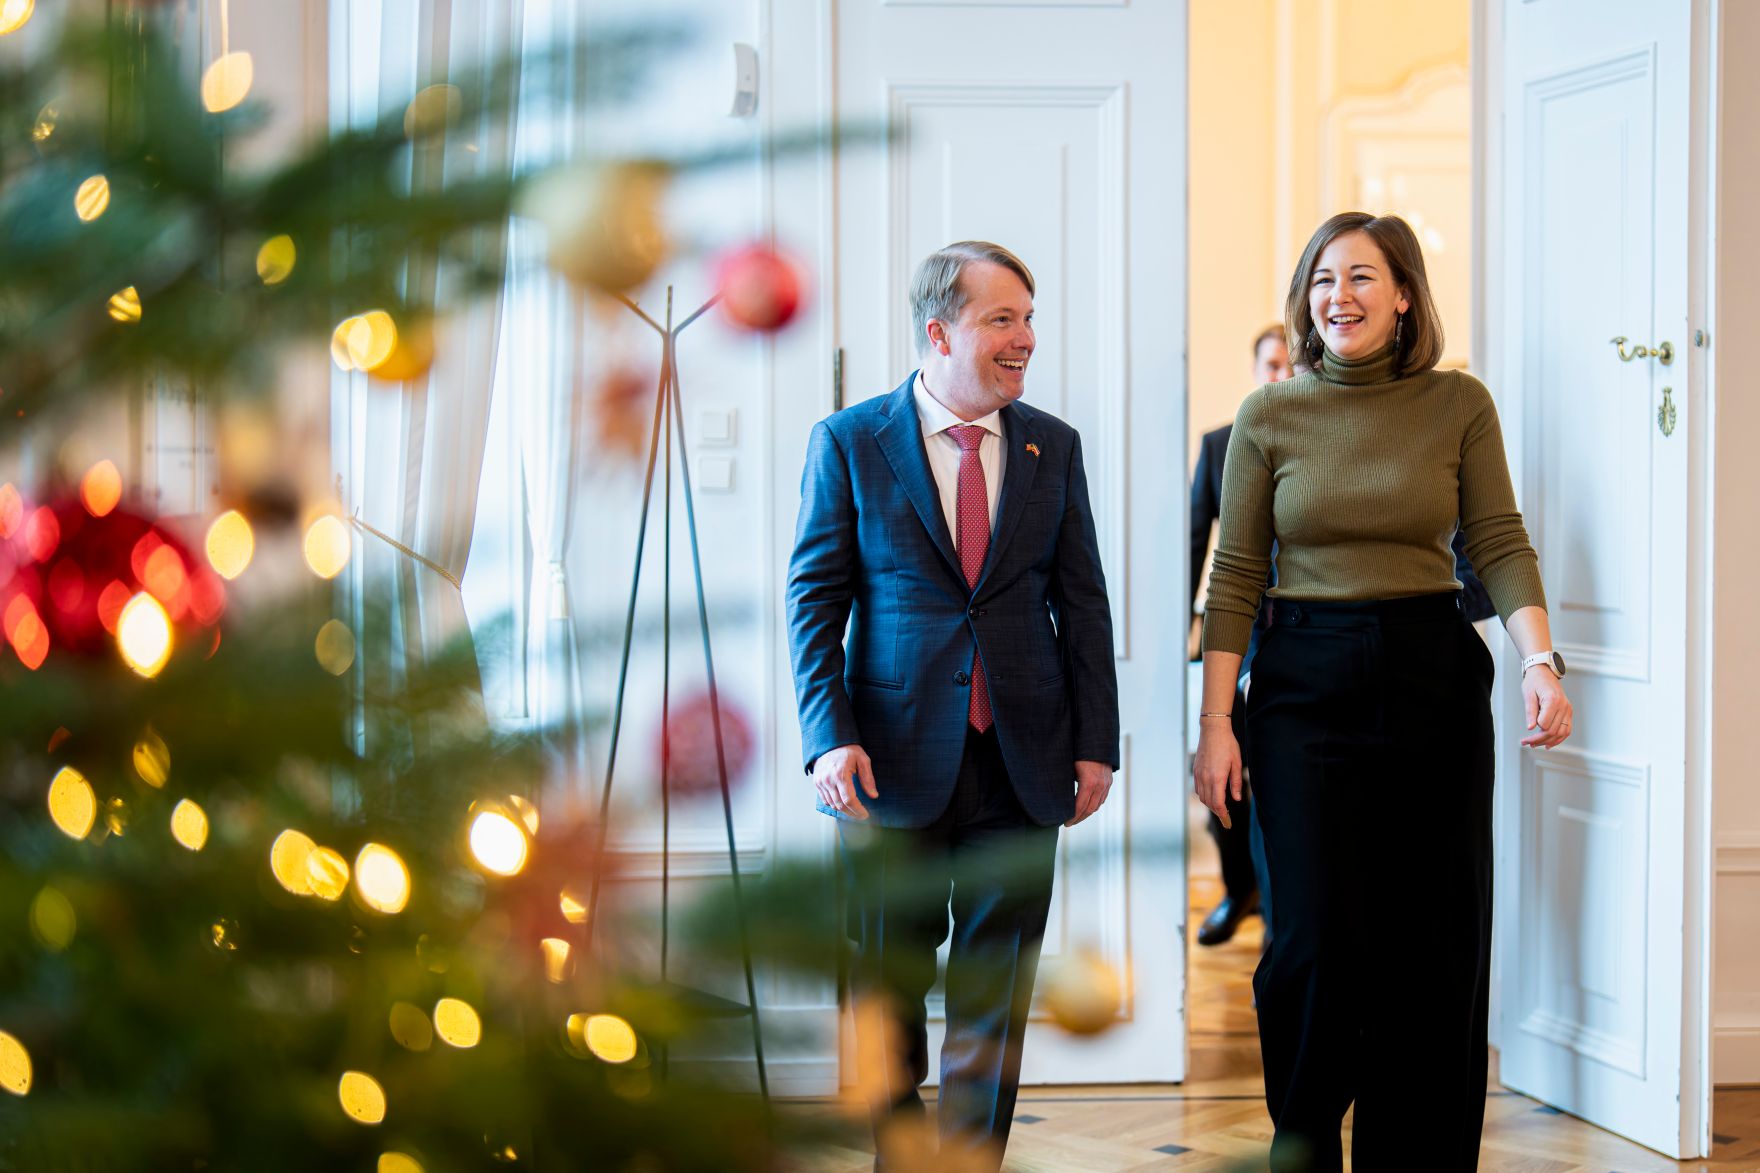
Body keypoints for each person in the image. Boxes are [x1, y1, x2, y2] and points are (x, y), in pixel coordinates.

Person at [1192, 212, 1573, 1172]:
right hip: (1301, 688)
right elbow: (1235, 571)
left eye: (1363, 277)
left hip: (1431, 674)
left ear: (1404, 296)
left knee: (1435, 947)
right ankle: (1305, 1143)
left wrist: (1539, 660)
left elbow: (1497, 539)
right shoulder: (1268, 416)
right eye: (1323, 278)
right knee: (1312, 944)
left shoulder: (1457, 403)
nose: (1340, 296)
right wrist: (1215, 724)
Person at [786, 241, 1119, 1170]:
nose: (1026, 340)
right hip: (884, 762)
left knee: (996, 991)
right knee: (884, 986)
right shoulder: (851, 440)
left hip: (1023, 760)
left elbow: (1082, 602)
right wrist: (827, 738)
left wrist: (1097, 741)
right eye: (1002, 320)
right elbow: (814, 598)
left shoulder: (1055, 445)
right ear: (938, 331)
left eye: (1029, 318)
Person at [1188, 324, 1292, 945]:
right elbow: (1193, 538)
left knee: (1279, 784)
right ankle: (1238, 890)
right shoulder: (1222, 444)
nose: (1279, 375)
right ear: (1255, 369)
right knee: (1222, 776)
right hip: (1235, 631)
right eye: (1270, 364)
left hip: (1303, 630)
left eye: (1289, 364)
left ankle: (1281, 918)